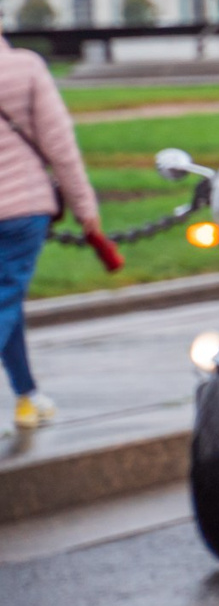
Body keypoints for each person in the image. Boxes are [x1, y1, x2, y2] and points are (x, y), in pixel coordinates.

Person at [0, 29, 121, 428]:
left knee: (7, 303)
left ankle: (26, 395)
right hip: (21, 206)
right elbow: (60, 145)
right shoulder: (25, 67)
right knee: (5, 299)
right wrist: (86, 209)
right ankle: (26, 395)